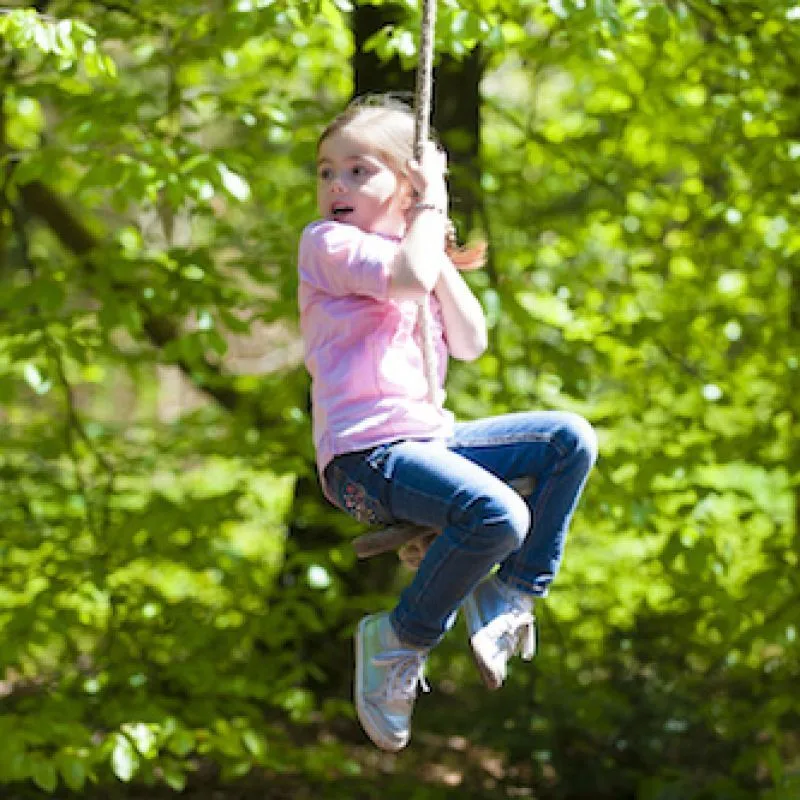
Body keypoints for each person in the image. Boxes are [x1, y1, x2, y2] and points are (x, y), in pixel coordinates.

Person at [297, 96, 597, 752]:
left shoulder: (411, 249)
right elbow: (405, 279)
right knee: (500, 517)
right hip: (364, 459)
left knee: (568, 437)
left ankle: (511, 593)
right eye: (327, 172)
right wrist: (424, 215)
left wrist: (424, 219)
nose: (336, 187)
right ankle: (400, 638)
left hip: (424, 442)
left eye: (359, 171)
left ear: (405, 186)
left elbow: (470, 340)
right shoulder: (328, 244)